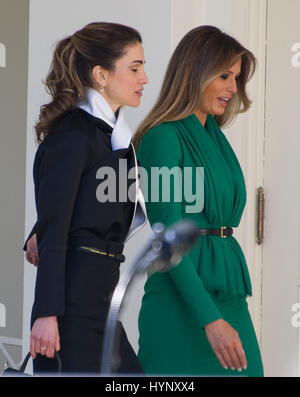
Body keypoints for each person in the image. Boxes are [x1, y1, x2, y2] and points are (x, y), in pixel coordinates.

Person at [133, 25, 264, 377]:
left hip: (227, 292)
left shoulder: (214, 137)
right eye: (224, 75)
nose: (233, 88)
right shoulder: (163, 137)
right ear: (195, 71)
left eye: (236, 77)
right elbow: (167, 239)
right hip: (183, 303)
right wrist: (210, 321)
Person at [24, 21, 148, 374]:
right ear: (101, 75)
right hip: (72, 306)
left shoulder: (112, 139)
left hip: (102, 299)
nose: (144, 79)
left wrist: (39, 229)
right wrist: (46, 314)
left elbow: (78, 204)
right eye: (135, 68)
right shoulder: (74, 136)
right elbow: (57, 224)